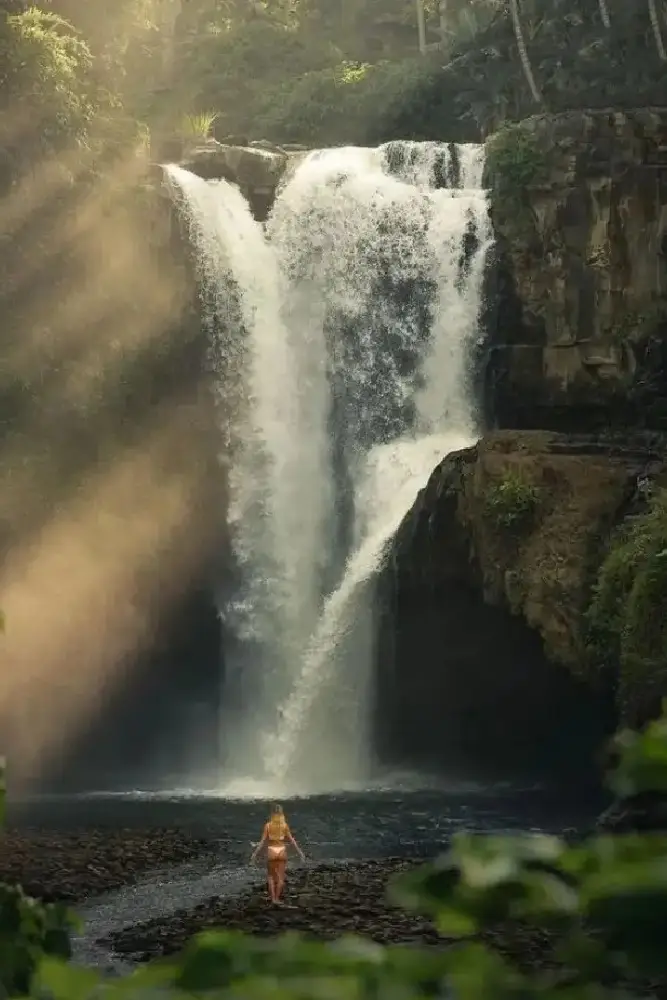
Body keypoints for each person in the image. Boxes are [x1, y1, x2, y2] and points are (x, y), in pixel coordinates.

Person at [250, 803, 305, 904]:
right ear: (281, 813)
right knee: (280, 877)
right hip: (281, 851)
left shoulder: (268, 825)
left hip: (272, 851)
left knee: (271, 876)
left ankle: (273, 898)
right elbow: (292, 840)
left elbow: (262, 841)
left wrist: (254, 854)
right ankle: (277, 898)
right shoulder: (284, 825)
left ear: (272, 813)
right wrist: (300, 852)